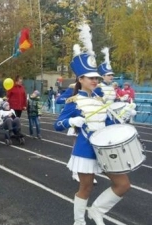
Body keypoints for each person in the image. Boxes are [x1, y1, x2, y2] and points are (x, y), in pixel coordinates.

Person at [54, 24, 135, 225]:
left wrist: (122, 116)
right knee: (86, 188)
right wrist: (71, 121)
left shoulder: (99, 99)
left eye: (97, 78)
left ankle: (97, 211)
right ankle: (79, 221)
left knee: (123, 184)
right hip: (86, 150)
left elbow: (109, 122)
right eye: (91, 78)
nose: (95, 81)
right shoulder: (74, 101)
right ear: (80, 79)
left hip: (105, 149)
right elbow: (58, 125)